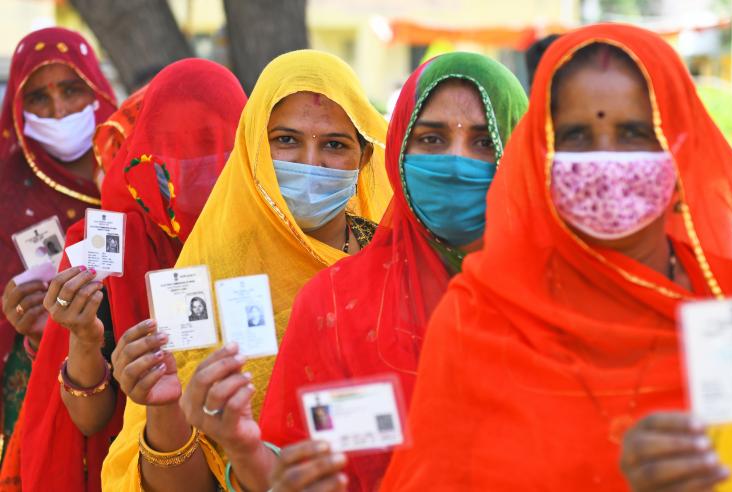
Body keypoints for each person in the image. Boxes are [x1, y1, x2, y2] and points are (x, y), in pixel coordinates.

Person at [379, 24, 732, 491]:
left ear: (680, 148)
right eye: (577, 136)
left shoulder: (725, 304)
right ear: (540, 155)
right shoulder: (480, 318)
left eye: (633, 133)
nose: (605, 160)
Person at [191, 52, 528, 492]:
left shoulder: (574, 301)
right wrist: (242, 448)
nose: (455, 163)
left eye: (484, 142)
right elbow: (295, 471)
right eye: (431, 139)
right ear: (400, 156)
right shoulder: (336, 303)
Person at [102, 50, 392, 492]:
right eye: (286, 140)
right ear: (254, 146)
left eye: (335, 144)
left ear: (365, 157)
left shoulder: (392, 263)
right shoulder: (213, 271)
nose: (310, 163)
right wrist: (163, 409)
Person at [17, 59, 246, 492]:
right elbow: (88, 420)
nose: (197, 179)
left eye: (215, 155)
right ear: (145, 153)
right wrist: (85, 336)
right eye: (175, 159)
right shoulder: (105, 245)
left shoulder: (271, 236)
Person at [0, 27, 116, 461]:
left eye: (72, 90)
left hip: (128, 366)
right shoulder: (7, 185)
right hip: (34, 373)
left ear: (96, 91)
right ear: (17, 105)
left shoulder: (130, 170)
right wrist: (16, 316)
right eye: (38, 99)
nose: (59, 110)